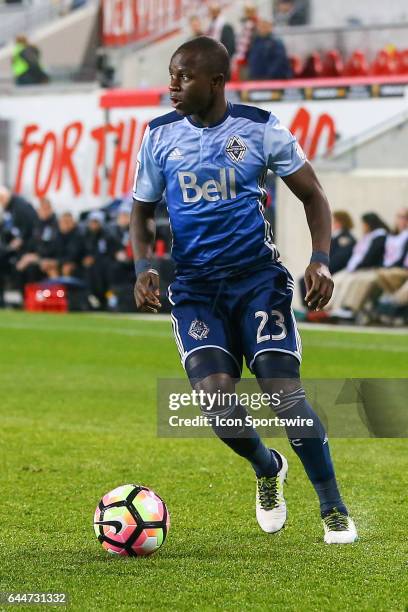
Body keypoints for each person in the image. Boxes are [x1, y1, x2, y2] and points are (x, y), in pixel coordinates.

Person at [130, 37, 357, 544]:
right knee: (215, 400)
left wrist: (320, 260)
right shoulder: (158, 136)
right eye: (170, 75)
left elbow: (313, 195)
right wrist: (144, 266)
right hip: (195, 288)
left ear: (215, 81)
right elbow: (141, 211)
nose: (172, 85)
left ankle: (333, 508)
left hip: (258, 282)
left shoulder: (260, 128)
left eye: (183, 77)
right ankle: (266, 466)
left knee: (286, 398)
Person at [327, 212, 389, 313]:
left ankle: (342, 309)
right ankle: (327, 308)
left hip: (367, 269)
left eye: (363, 224)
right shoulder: (368, 237)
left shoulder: (379, 236)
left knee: (348, 282)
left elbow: (370, 257)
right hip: (355, 269)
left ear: (369, 224)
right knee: (336, 280)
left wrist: (358, 267)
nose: (362, 227)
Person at [299, 210, 355, 308]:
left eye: (335, 221)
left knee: (314, 281)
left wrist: (325, 268)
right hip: (329, 268)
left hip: (336, 269)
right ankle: (309, 308)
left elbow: (340, 258)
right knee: (304, 280)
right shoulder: (335, 237)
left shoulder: (346, 238)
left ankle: (313, 308)